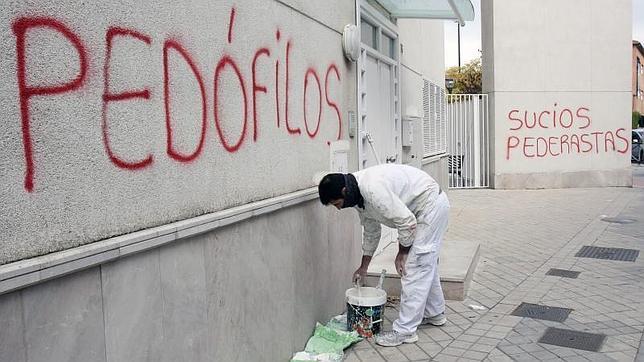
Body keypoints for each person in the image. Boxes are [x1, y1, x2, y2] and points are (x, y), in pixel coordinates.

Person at [318, 164, 450, 347]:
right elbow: (372, 232)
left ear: (344, 191)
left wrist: (402, 253)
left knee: (414, 267)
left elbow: (407, 222)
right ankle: (435, 313)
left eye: (336, 204)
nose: (338, 209)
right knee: (426, 264)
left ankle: (404, 332)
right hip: (425, 208)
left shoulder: (372, 189)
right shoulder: (358, 196)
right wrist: (363, 267)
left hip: (430, 208)